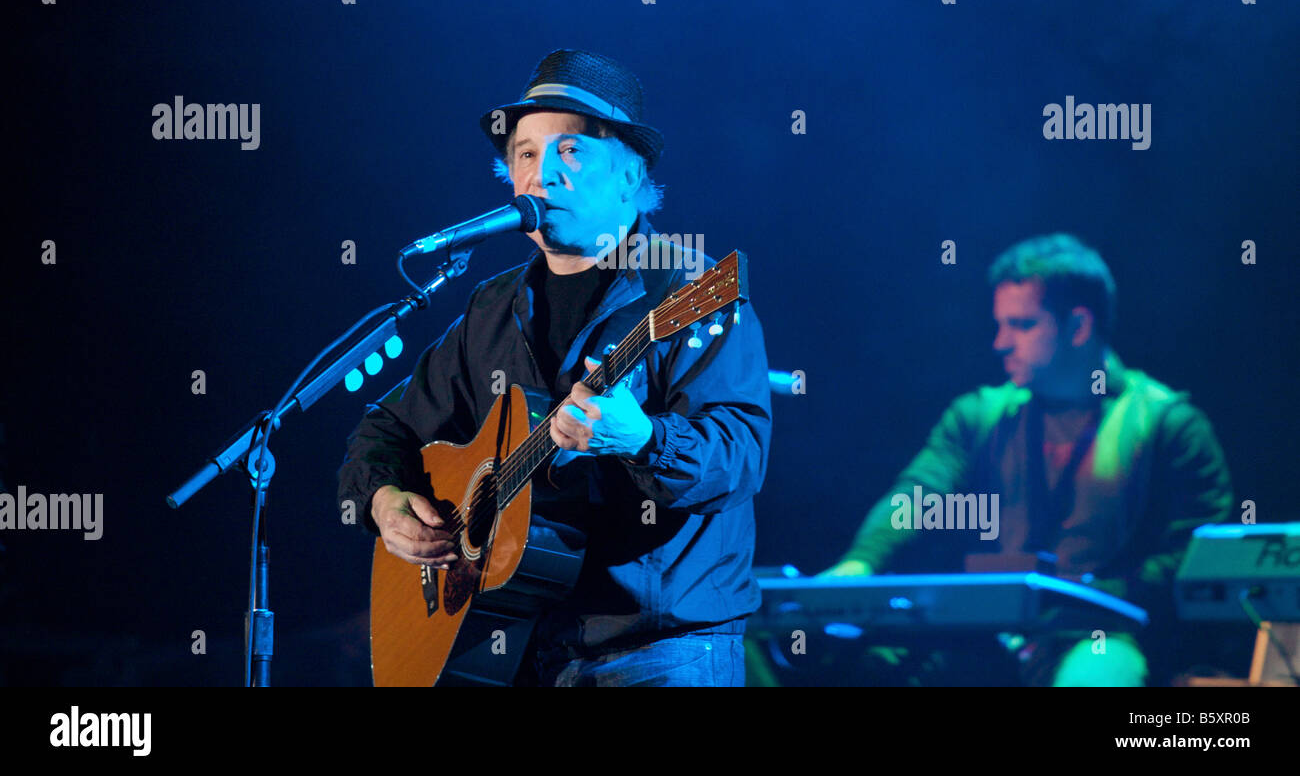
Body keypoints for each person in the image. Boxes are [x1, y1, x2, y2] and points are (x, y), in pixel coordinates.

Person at [338, 49, 771, 686]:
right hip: (530, 649)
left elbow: (740, 455)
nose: (543, 174)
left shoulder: (689, 289)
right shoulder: (494, 306)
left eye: (571, 151)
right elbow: (384, 430)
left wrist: (643, 438)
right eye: (526, 154)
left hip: (663, 650)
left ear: (630, 175)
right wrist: (383, 501)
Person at [824, 233, 1233, 686]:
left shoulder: (1170, 427)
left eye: (1021, 325)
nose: (1000, 342)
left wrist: (1089, 597)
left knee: (1096, 673)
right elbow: (919, 496)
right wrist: (859, 564)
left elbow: (1192, 559)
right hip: (991, 636)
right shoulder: (977, 417)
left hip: (1101, 637)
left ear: (1078, 327)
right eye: (1000, 324)